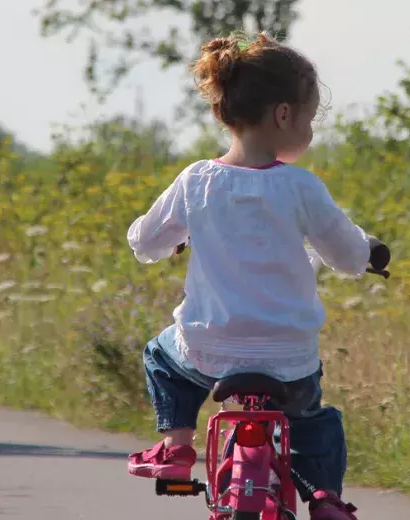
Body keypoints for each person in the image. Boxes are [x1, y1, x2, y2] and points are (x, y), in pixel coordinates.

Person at [126, 32, 378, 520]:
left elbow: (145, 242)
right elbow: (347, 255)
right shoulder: (301, 187)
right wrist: (369, 252)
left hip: (206, 352)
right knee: (315, 423)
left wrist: (174, 237)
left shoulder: (196, 180)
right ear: (284, 115)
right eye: (308, 118)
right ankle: (324, 497)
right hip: (289, 360)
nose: (308, 129)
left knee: (160, 354)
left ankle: (176, 447)